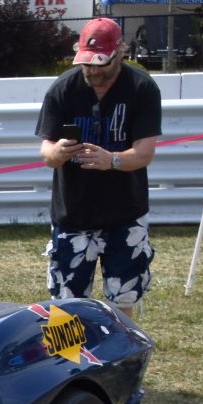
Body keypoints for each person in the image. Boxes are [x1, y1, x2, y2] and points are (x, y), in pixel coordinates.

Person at [35, 17, 163, 309]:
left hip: (125, 214)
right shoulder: (62, 89)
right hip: (73, 214)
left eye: (100, 63)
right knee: (65, 306)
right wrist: (60, 152)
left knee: (123, 302)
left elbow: (144, 154)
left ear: (120, 53)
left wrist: (112, 160)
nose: (92, 70)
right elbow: (46, 152)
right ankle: (68, 357)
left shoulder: (142, 89)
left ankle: (120, 355)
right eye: (86, 63)